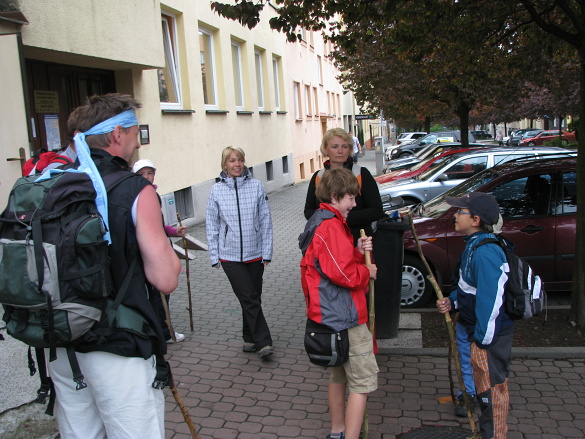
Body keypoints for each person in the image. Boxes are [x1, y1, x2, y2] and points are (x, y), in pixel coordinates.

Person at [47, 93, 181, 439]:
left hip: (62, 341)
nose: (138, 140)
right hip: (116, 345)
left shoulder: (55, 183)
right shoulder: (135, 190)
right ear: (117, 134)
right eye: (135, 131)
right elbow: (165, 279)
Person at [299, 168, 379, 439]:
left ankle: (338, 431)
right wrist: (368, 271)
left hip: (331, 315)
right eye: (351, 199)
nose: (355, 205)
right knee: (362, 383)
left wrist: (356, 252)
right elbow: (343, 274)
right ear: (334, 196)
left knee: (338, 377)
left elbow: (333, 263)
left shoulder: (322, 221)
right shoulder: (330, 226)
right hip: (345, 316)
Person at [436, 192, 512, 439]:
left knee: (492, 393)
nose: (455, 215)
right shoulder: (472, 247)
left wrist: (482, 339)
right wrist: (453, 300)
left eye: (460, 212)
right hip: (476, 331)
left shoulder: (485, 252)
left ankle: (494, 435)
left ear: (476, 220)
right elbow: (469, 287)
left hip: (488, 336)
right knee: (483, 388)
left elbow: (492, 300)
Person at [206, 147, 274, 360]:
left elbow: (265, 221)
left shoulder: (256, 187)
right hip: (230, 255)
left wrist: (267, 251)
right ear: (224, 164)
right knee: (249, 296)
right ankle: (263, 342)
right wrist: (214, 255)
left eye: (240, 160)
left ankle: (249, 338)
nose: (237, 164)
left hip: (255, 252)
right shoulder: (216, 191)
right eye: (232, 160)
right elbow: (211, 224)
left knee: (254, 296)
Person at [133, 158, 186, 343]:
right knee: (158, 292)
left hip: (155, 247)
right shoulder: (139, 195)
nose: (147, 177)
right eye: (142, 174)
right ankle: (163, 332)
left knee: (160, 292)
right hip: (150, 251)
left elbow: (158, 225)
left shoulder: (152, 195)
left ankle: (160, 330)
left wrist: (173, 231)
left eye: (150, 173)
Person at [304, 128, 383, 244]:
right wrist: (330, 221)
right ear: (326, 149)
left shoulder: (361, 174)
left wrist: (340, 219)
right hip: (327, 241)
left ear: (350, 149)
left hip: (358, 241)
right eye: (335, 147)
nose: (340, 151)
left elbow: (376, 210)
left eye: (344, 146)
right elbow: (309, 210)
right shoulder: (318, 177)